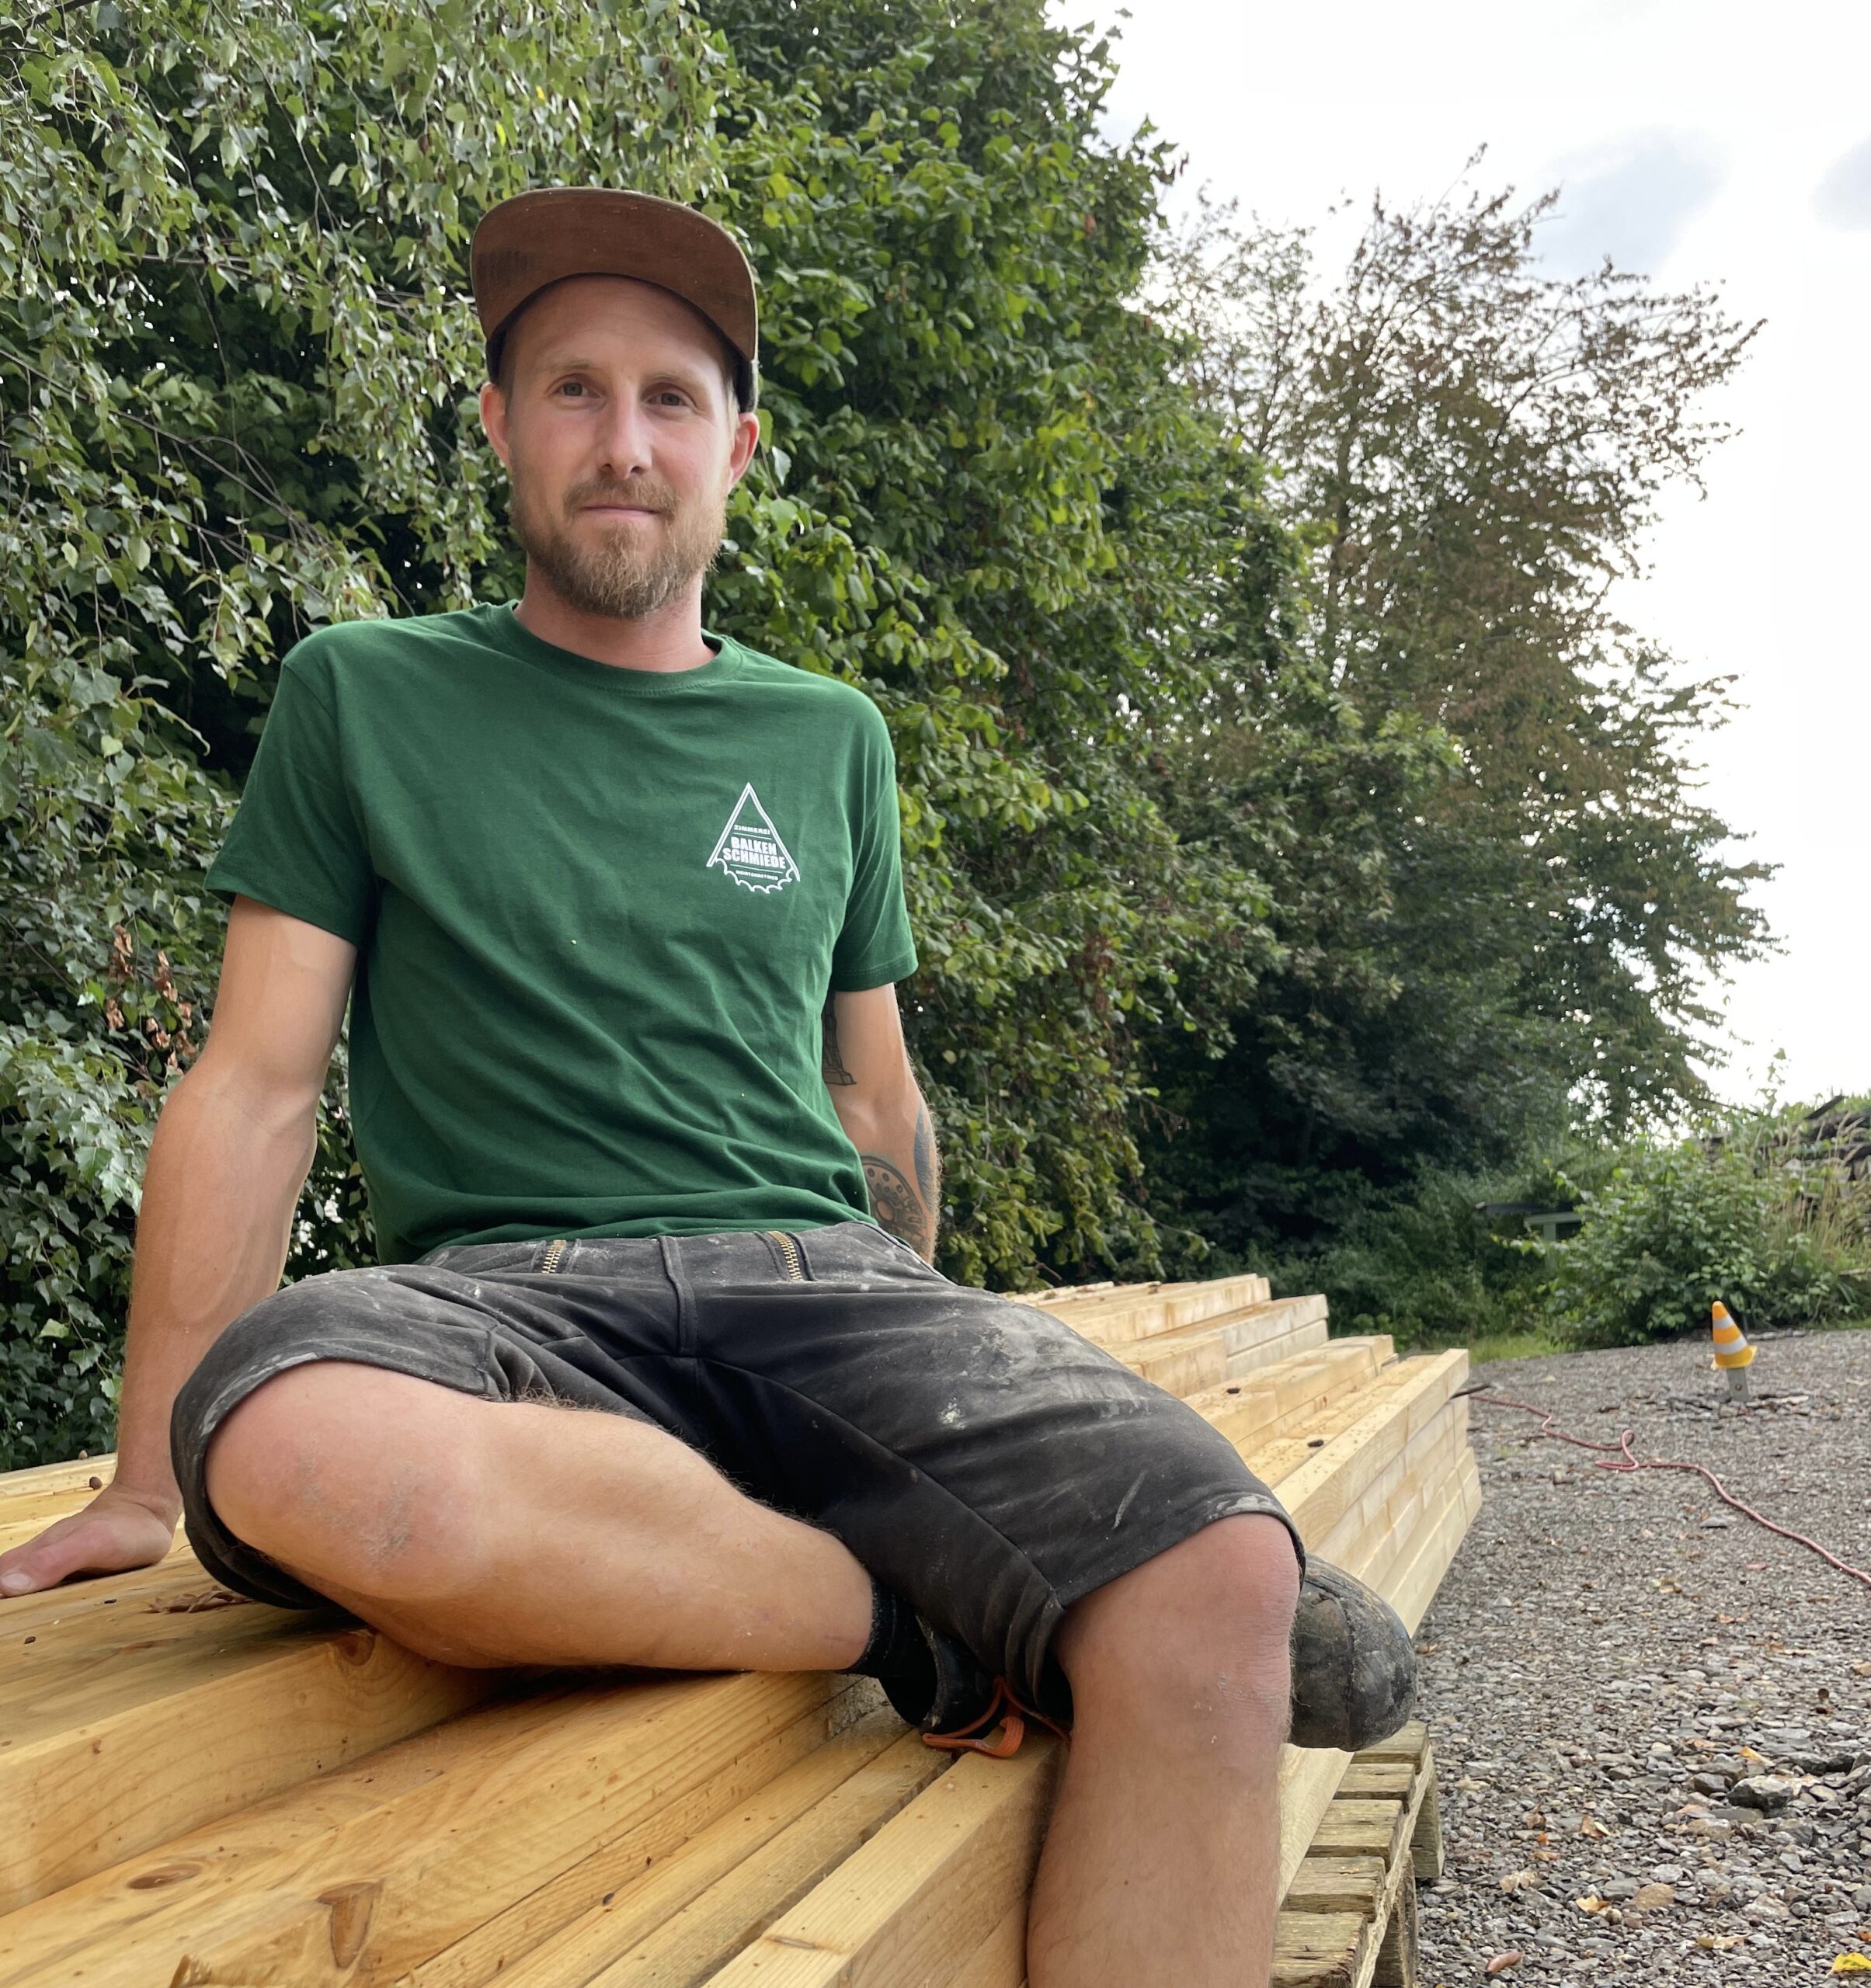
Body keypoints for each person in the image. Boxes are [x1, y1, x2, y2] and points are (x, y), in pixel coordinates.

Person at [0, 188, 1415, 1986]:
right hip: (499, 1305)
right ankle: (916, 1616)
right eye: (572, 389)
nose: (621, 438)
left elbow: (879, 1103)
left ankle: (986, 1543)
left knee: (1220, 1575)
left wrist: (953, 1371)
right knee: (283, 1439)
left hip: (818, 1278)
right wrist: (145, 1473)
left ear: (733, 448)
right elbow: (255, 1081)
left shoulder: (829, 737)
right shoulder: (361, 694)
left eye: (669, 398)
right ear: (501, 424)